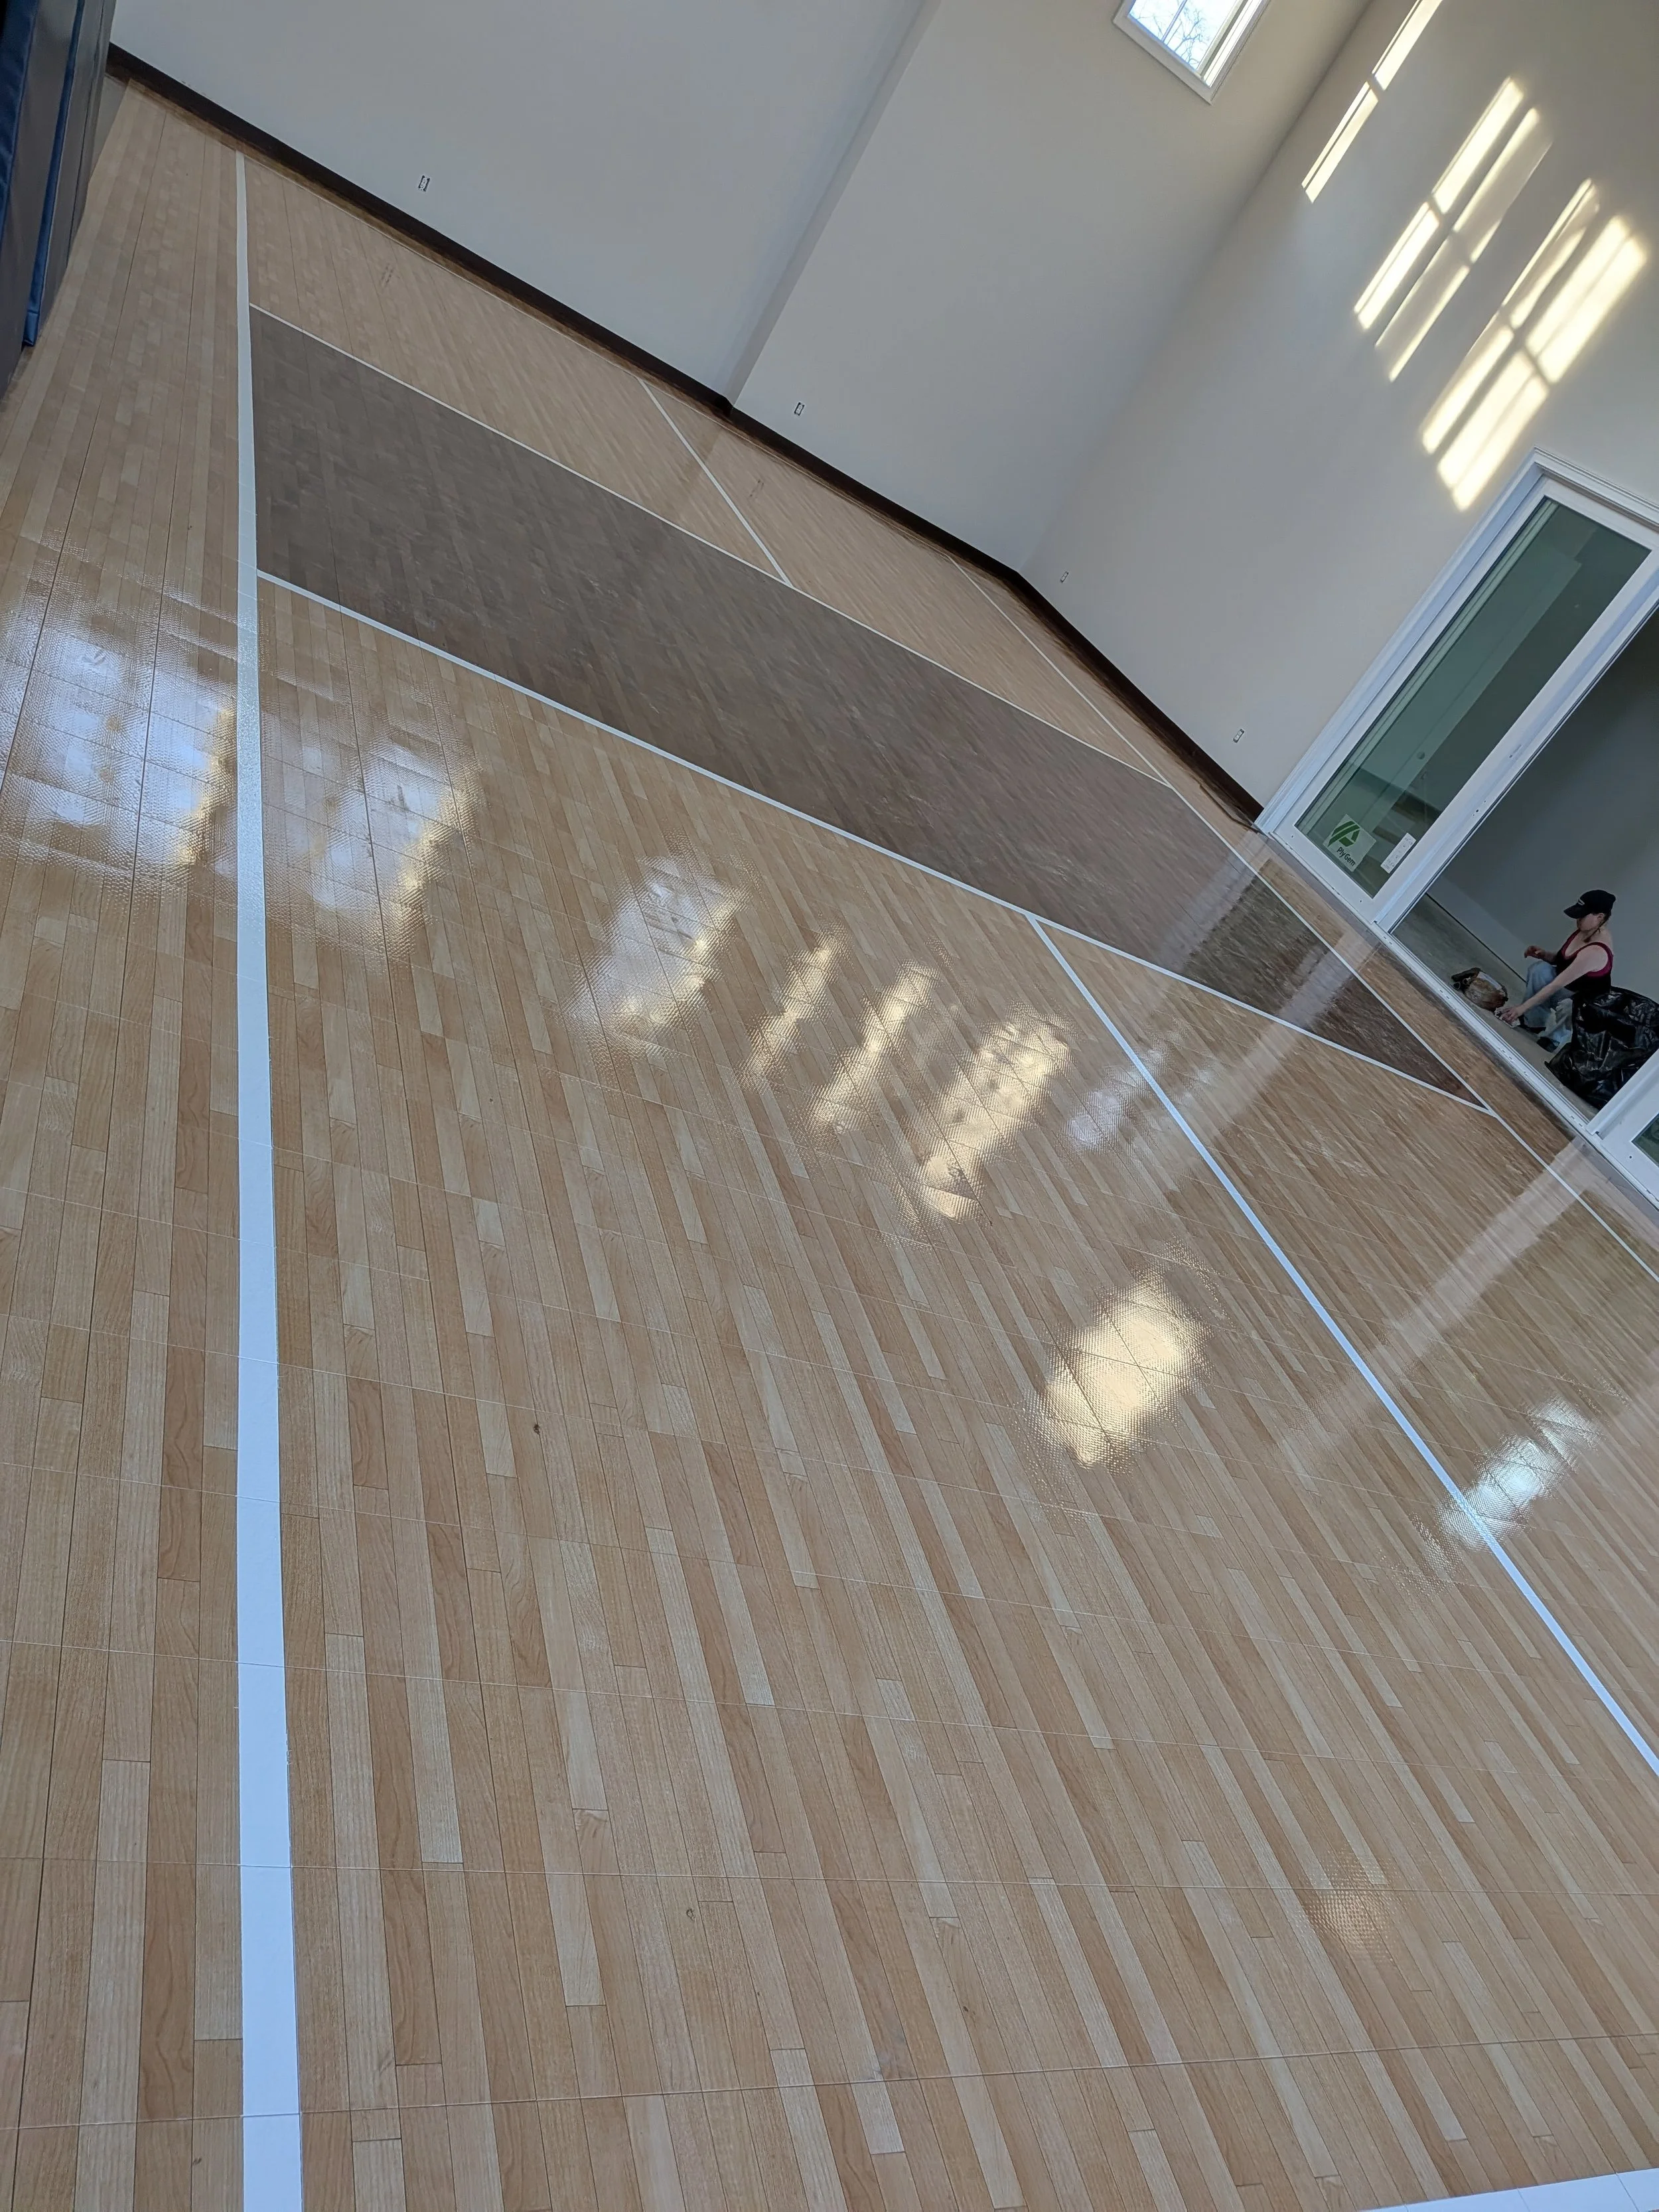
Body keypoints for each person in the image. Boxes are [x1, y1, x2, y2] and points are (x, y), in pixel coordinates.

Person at [1500, 889, 1617, 1049]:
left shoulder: (1596, 951)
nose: (1578, 919)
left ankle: (1554, 1038)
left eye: (1583, 915)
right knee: (1539, 970)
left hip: (1583, 1005)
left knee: (1571, 1007)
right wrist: (1544, 955)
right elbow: (1563, 961)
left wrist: (1520, 1009)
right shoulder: (1586, 930)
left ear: (1600, 917)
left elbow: (1556, 984)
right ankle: (1533, 1022)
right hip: (1567, 989)